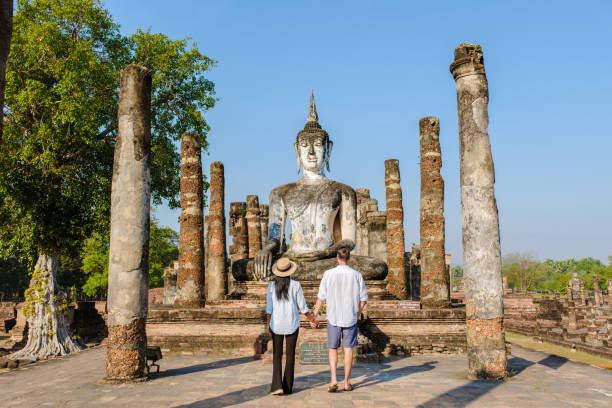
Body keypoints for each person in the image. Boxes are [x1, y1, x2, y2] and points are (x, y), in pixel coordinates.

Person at [313, 246, 367, 392]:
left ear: (337, 258)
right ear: (349, 258)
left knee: (333, 348)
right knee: (348, 349)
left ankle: (333, 379)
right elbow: (363, 300)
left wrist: (314, 316)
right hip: (350, 316)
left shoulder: (328, 274)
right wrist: (358, 312)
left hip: (333, 316)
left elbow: (320, 298)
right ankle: (347, 383)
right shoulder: (356, 275)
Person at [266, 258, 318, 395]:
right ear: (289, 271)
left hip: (276, 323)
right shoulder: (296, 285)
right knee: (290, 355)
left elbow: (269, 309)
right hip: (292, 323)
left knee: (276, 355)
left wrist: (268, 324)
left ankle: (277, 386)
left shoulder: (271, 286)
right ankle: (287, 386)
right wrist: (312, 319)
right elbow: (303, 307)